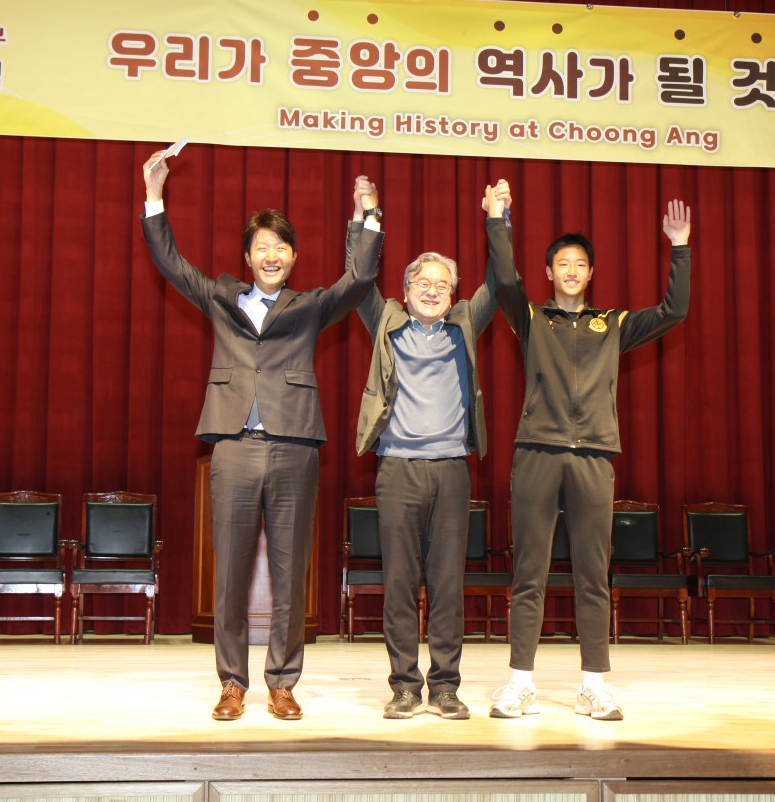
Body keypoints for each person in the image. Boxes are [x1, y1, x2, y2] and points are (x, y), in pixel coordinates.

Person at [141, 152, 384, 721]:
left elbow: (360, 278)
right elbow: (171, 262)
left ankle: (282, 682)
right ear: (247, 258)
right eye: (261, 247)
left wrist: (366, 216)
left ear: (293, 257)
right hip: (233, 446)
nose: (271, 255)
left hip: (295, 445)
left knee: (289, 571)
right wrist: (154, 195)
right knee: (229, 572)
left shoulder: (310, 306)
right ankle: (232, 682)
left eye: (281, 247)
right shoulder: (221, 297)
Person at [484, 180, 691, 721]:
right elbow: (503, 278)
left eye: (580, 263)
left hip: (594, 456)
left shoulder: (614, 324)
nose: (571, 270)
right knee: (529, 572)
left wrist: (680, 247)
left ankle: (594, 685)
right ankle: (520, 683)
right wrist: (498, 220)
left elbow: (674, 311)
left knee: (592, 574)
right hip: (537, 452)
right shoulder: (531, 318)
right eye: (562, 264)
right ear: (548, 273)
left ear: (591, 272)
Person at [345, 176, 499, 720]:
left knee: (449, 585)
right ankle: (405, 686)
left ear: (453, 294)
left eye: (442, 284)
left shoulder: (465, 325)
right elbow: (358, 277)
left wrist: (497, 218)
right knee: (399, 584)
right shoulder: (385, 320)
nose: (432, 290)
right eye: (422, 281)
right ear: (406, 287)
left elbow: (501, 280)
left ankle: (447, 686)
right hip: (398, 470)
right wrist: (367, 216)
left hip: (452, 470)